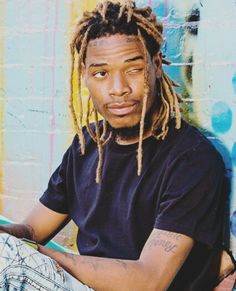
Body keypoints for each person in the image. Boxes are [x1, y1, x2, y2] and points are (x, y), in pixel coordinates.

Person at [0, 1, 234, 290]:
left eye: (133, 70)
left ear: (156, 66)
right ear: (85, 76)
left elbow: (150, 279)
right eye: (101, 73)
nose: (118, 88)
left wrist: (36, 258)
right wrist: (8, 239)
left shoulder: (191, 159)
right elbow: (33, 230)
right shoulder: (86, 146)